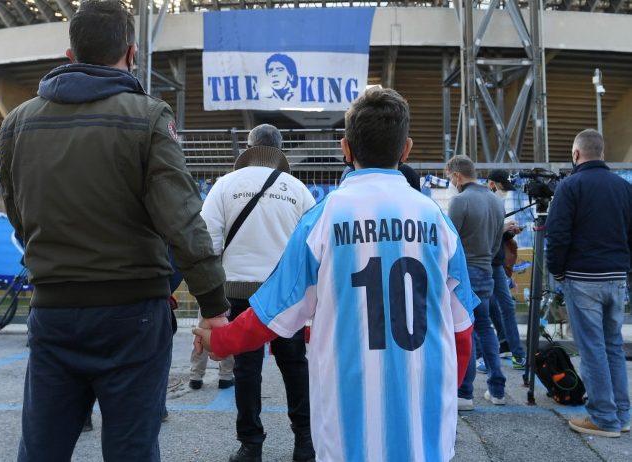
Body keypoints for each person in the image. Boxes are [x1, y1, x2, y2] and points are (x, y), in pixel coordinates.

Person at [0, 2, 229, 460]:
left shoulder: (17, 123)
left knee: (42, 448)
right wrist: (213, 305)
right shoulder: (148, 117)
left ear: (70, 55)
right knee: (132, 449)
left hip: (54, 310)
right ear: (132, 53)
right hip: (132, 313)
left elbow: (18, 214)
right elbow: (182, 220)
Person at [194, 87, 476, 462]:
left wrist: (221, 339)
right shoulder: (439, 222)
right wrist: (445, 392)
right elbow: (462, 331)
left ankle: (252, 442)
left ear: (345, 148)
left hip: (347, 420)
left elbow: (271, 312)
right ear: (406, 149)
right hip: (424, 424)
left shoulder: (324, 218)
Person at [201, 123, 316, 462]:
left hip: (238, 292)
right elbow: (312, 245)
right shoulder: (297, 188)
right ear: (279, 149)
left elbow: (208, 243)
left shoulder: (225, 184)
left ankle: (250, 444)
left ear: (249, 147)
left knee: (246, 369)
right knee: (294, 366)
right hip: (285, 296)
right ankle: (305, 441)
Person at [545, 128, 631, 438]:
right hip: (616, 277)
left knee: (593, 348)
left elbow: (557, 234)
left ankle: (603, 417)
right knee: (613, 347)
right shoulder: (624, 188)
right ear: (603, 153)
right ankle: (621, 414)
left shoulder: (570, 186)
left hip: (583, 278)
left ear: (576, 154)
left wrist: (557, 272)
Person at [445, 155, 507, 410]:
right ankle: (498, 388)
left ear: (457, 176)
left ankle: (465, 392)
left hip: (464, 273)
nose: (451, 183)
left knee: (465, 330)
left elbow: (449, 242)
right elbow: (496, 244)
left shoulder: (460, 201)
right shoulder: (496, 201)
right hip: (486, 270)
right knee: (485, 327)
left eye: (450, 179)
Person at [484, 169, 526, 370]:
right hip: (483, 263)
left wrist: (509, 233)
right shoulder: (481, 202)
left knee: (506, 306)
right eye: (502, 187)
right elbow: (481, 233)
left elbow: (496, 236)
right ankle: (494, 350)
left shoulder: (497, 204)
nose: (504, 192)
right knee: (488, 308)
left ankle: (517, 353)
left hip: (496, 263)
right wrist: (503, 229)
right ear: (492, 184)